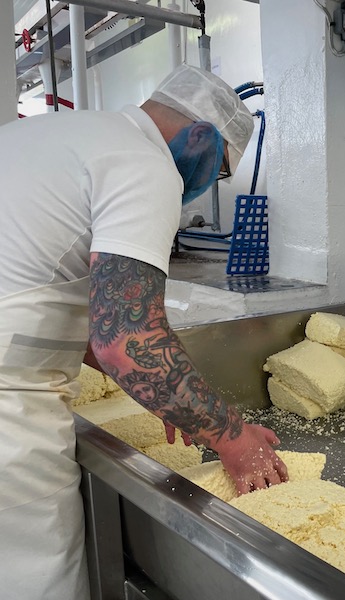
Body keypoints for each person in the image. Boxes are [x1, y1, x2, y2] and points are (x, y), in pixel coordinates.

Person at [0, 65, 288, 600]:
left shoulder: (57, 135)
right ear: (201, 135)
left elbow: (58, 307)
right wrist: (231, 434)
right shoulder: (146, 165)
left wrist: (168, 396)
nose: (204, 188)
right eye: (219, 171)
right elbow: (126, 341)